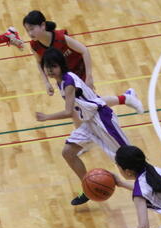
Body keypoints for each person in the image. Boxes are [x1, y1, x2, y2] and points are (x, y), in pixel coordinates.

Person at [35, 48, 142, 206]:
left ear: (61, 65)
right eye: (47, 67)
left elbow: (68, 112)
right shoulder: (60, 81)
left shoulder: (68, 82)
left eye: (53, 66)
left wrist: (46, 117)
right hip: (89, 122)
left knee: (128, 160)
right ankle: (87, 188)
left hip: (102, 120)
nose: (50, 70)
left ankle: (152, 186)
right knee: (68, 152)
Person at [23, 10, 119, 96]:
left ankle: (123, 99)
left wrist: (89, 77)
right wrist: (46, 82)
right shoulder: (34, 45)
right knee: (78, 104)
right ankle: (123, 99)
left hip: (79, 71)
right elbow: (39, 62)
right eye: (27, 30)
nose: (30, 33)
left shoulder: (60, 38)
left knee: (88, 101)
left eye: (32, 29)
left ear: (43, 25)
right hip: (63, 76)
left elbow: (84, 51)